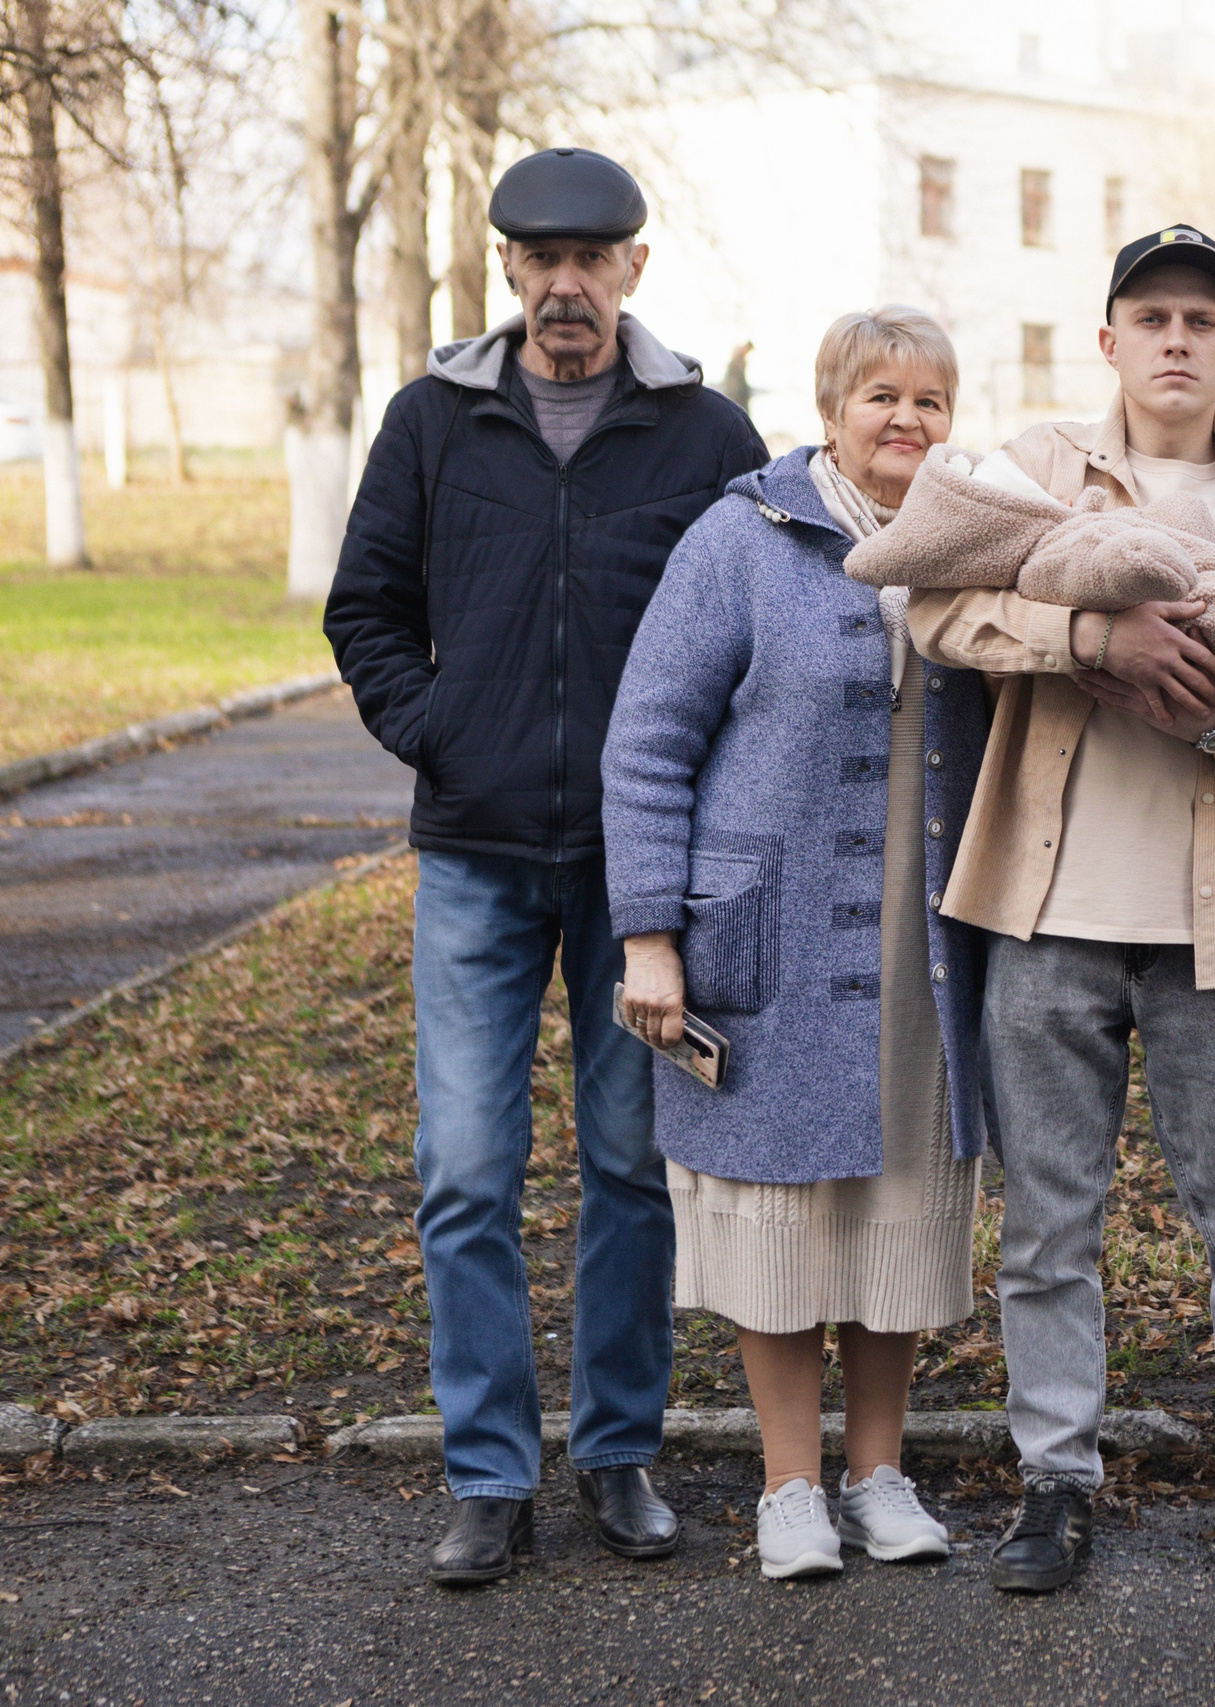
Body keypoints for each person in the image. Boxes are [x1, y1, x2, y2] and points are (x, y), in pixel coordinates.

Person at [324, 146, 767, 1587]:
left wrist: (701, 814)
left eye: (592, 259)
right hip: (476, 855)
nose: (566, 284)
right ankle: (489, 1473)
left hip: (643, 876)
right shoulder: (432, 422)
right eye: (542, 259)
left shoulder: (706, 435)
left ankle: (619, 1453)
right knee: (465, 1171)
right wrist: (442, 733)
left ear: (635, 266)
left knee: (631, 1167)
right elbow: (365, 608)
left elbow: (756, 625)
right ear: (508, 267)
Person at [905, 225, 1215, 1603]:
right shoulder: (1037, 468)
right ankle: (1054, 1481)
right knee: (1049, 1223)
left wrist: (1213, 719)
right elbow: (936, 608)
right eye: (1150, 316)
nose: (1175, 339)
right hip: (1046, 916)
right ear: (1108, 341)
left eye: (1201, 319)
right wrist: (1090, 638)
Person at [601, 308, 989, 1581]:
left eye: (930, 401)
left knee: (896, 1205)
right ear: (828, 411)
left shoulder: (974, 546)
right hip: (765, 935)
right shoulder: (741, 540)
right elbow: (647, 743)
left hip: (922, 940)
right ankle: (788, 1488)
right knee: (778, 1213)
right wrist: (650, 938)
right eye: (881, 396)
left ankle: (878, 1475)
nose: (906, 421)